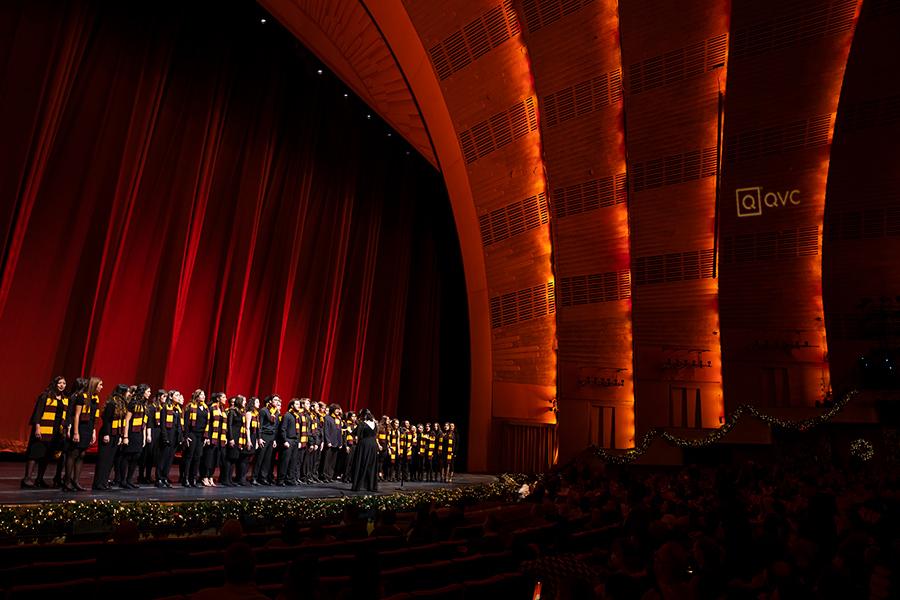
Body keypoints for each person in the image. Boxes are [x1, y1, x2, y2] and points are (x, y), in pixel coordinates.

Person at [22, 375, 67, 489]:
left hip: (56, 431)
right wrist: (37, 427)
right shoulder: (45, 396)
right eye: (60, 383)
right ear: (55, 384)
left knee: (46, 456)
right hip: (43, 429)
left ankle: (39, 479)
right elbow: (38, 413)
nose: (62, 385)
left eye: (64, 383)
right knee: (35, 454)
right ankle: (27, 479)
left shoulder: (64, 399)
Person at [65, 376, 101, 491]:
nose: (101, 387)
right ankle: (67, 482)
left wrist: (93, 432)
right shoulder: (82, 397)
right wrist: (75, 432)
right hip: (80, 427)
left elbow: (93, 417)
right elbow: (76, 416)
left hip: (88, 428)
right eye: (100, 385)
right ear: (94, 385)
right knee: (73, 454)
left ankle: (76, 481)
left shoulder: (95, 398)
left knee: (82, 454)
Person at [93, 384, 128, 490]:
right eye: (126, 392)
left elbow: (121, 421)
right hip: (108, 434)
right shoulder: (112, 403)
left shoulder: (121, 404)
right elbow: (107, 420)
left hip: (115, 434)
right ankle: (98, 483)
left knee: (109, 461)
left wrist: (121, 435)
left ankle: (104, 482)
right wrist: (107, 434)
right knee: (103, 460)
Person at [121, 383, 150, 488]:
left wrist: (143, 437)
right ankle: (123, 480)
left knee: (136, 457)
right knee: (127, 456)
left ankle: (129, 480)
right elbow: (127, 420)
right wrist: (125, 436)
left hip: (139, 434)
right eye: (148, 391)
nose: (149, 394)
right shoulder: (133, 403)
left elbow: (144, 422)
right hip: (131, 433)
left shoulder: (144, 404)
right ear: (142, 392)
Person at [156, 390, 183, 487]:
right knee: (163, 458)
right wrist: (165, 437)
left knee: (170, 459)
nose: (178, 396)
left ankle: (165, 477)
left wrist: (180, 437)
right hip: (167, 436)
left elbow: (179, 425)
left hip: (175, 437)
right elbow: (162, 425)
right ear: (171, 397)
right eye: (176, 395)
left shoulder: (177, 409)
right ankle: (159, 478)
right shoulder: (165, 408)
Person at [182, 389, 209, 487]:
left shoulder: (206, 408)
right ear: (197, 396)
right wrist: (186, 436)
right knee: (189, 457)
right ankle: (185, 479)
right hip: (192, 434)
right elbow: (186, 423)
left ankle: (193, 478)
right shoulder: (190, 407)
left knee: (198, 457)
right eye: (202, 395)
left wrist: (206, 436)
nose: (204, 396)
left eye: (204, 395)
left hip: (201, 435)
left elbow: (208, 423)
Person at [349, 409, 380, 492]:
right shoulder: (375, 424)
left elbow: (355, 433)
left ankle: (357, 485)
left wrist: (349, 431)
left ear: (364, 416)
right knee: (371, 465)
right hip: (373, 445)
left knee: (361, 463)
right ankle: (371, 486)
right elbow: (375, 434)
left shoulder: (362, 424)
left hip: (364, 445)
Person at [202, 392, 228, 486]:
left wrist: (224, 436)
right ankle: (204, 476)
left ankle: (210, 476)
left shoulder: (223, 410)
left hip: (220, 438)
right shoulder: (212, 408)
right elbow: (208, 423)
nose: (225, 399)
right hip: (212, 437)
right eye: (223, 397)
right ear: (218, 398)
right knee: (209, 458)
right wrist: (207, 437)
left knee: (215, 459)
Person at [254, 395, 279, 485]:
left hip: (272, 437)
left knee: (267, 459)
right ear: (270, 401)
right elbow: (259, 425)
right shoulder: (264, 410)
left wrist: (275, 440)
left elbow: (276, 427)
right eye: (275, 400)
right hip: (264, 435)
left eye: (278, 400)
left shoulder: (276, 412)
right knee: (260, 457)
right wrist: (259, 438)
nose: (277, 402)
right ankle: (254, 477)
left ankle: (263, 478)